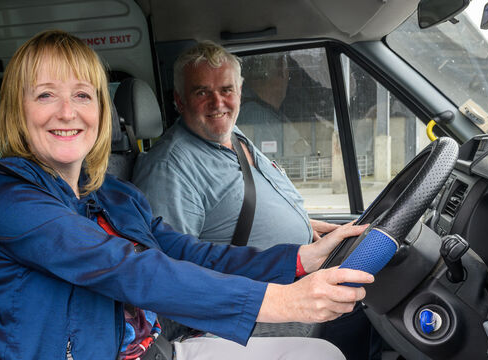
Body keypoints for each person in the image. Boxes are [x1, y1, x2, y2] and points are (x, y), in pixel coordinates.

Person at [0, 30, 374, 360]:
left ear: (101, 110)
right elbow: (124, 268)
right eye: (45, 95)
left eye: (82, 95)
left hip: (154, 351)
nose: (68, 112)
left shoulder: (111, 191)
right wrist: (281, 302)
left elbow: (188, 252)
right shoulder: (8, 194)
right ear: (18, 111)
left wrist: (301, 259)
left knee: (318, 353)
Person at [132, 41, 380, 359]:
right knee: (365, 304)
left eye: (226, 89)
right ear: (180, 101)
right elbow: (175, 271)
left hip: (289, 267)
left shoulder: (234, 137)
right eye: (201, 92)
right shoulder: (170, 166)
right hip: (247, 299)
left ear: (240, 90)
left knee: (371, 289)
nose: (217, 102)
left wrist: (308, 228)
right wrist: (295, 267)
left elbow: (249, 207)